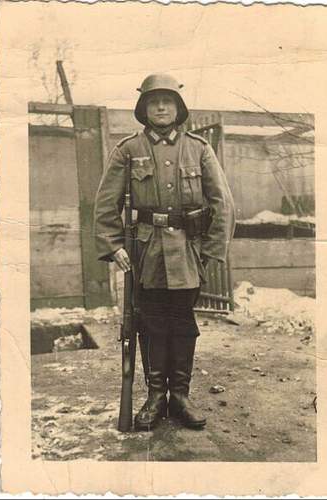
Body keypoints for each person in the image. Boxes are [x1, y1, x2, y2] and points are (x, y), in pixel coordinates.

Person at [94, 73, 235, 431]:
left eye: (167, 101)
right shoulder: (128, 149)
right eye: (154, 101)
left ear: (178, 108)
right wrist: (113, 247)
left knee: (183, 323)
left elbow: (223, 202)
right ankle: (156, 396)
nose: (161, 106)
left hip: (188, 252)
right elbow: (105, 204)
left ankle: (181, 398)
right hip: (146, 253)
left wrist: (210, 249)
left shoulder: (199, 148)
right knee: (152, 324)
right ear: (143, 108)